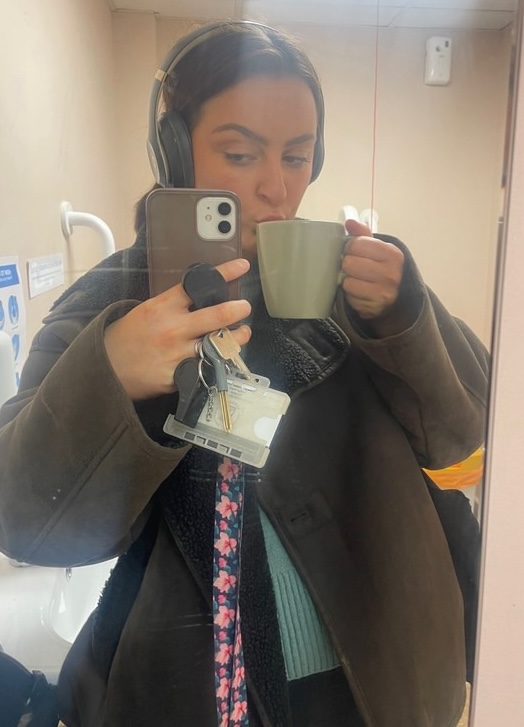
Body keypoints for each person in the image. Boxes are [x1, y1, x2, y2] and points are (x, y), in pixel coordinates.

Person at [0, 20, 489, 727]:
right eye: (239, 152)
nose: (274, 187)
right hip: (200, 695)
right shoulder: (107, 303)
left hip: (383, 683)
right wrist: (116, 373)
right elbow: (28, 524)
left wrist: (404, 315)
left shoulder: (352, 284)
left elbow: (465, 440)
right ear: (175, 150)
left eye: (296, 157)